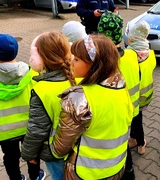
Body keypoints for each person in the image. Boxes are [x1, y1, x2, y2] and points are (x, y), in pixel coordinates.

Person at [51, 35, 134, 180]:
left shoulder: (79, 99)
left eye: (76, 59)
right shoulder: (122, 88)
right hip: (116, 167)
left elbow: (59, 149)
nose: (71, 62)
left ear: (95, 64)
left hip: (85, 172)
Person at [21, 31, 76, 180]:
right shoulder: (79, 77)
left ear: (41, 59)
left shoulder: (41, 90)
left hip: (55, 151)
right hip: (78, 146)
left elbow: (37, 129)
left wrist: (28, 154)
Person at [98, 11, 140, 180]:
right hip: (132, 107)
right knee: (125, 141)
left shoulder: (102, 63)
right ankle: (129, 173)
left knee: (118, 145)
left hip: (113, 114)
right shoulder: (131, 55)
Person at [0, 34, 45, 180]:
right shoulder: (32, 74)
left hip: (5, 132)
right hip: (29, 127)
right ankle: (35, 176)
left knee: (10, 156)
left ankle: (16, 178)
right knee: (32, 154)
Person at [126, 21, 156, 155]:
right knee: (137, 118)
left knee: (137, 120)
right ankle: (134, 139)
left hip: (133, 96)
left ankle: (140, 142)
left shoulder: (130, 55)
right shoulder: (151, 54)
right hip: (146, 94)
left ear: (133, 37)